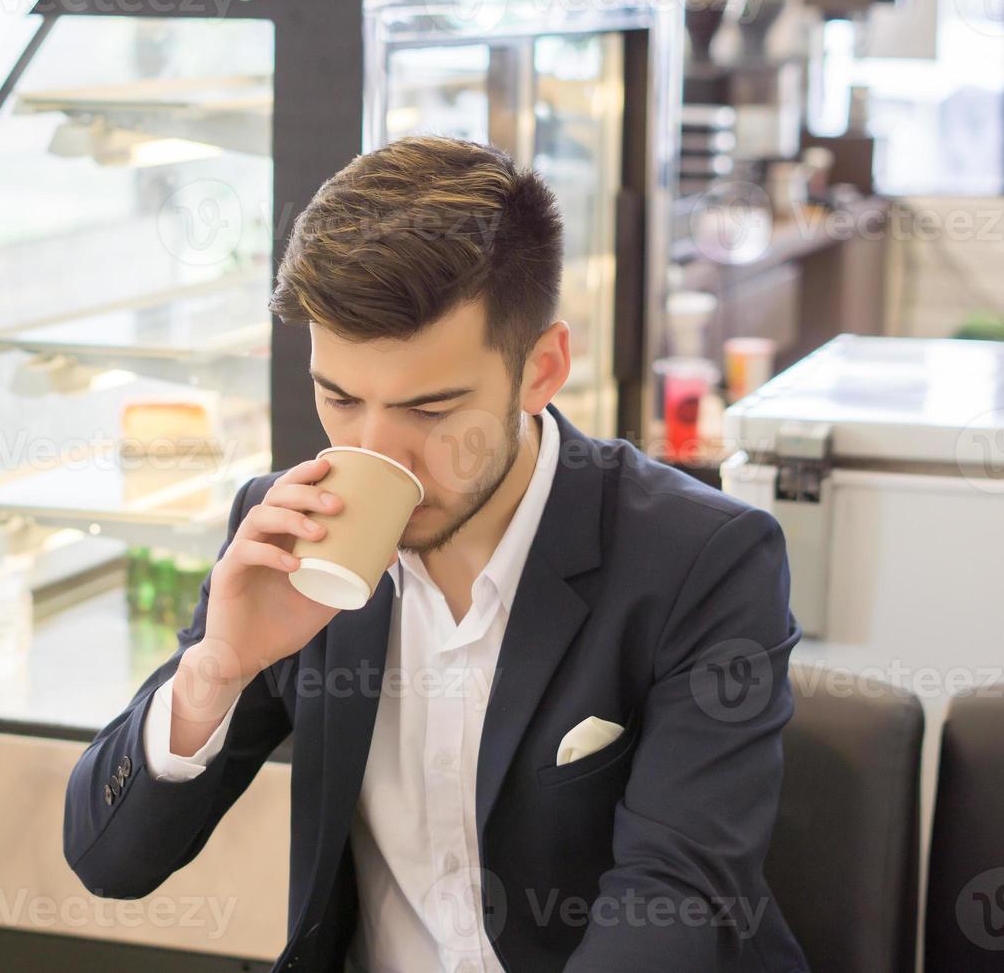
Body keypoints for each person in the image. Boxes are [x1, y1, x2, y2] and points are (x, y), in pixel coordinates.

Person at [63, 135, 809, 973]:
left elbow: (673, 904)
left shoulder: (703, 560)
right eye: (339, 397)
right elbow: (110, 864)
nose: (380, 453)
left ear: (542, 369)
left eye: (430, 409)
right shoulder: (285, 531)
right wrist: (217, 669)